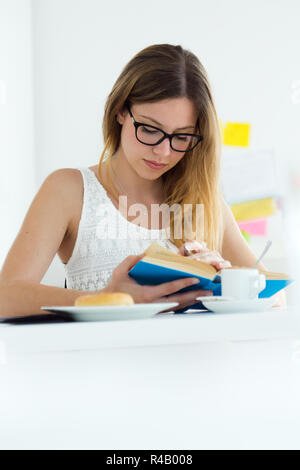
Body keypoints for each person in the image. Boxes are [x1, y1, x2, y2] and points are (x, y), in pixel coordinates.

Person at [0, 44, 285, 318]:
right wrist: (107, 299)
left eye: (182, 137)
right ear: (121, 111)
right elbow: (6, 297)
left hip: (192, 364)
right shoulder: (69, 190)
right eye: (150, 129)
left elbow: (276, 299)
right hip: (99, 364)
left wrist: (225, 281)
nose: (163, 152)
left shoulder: (206, 202)